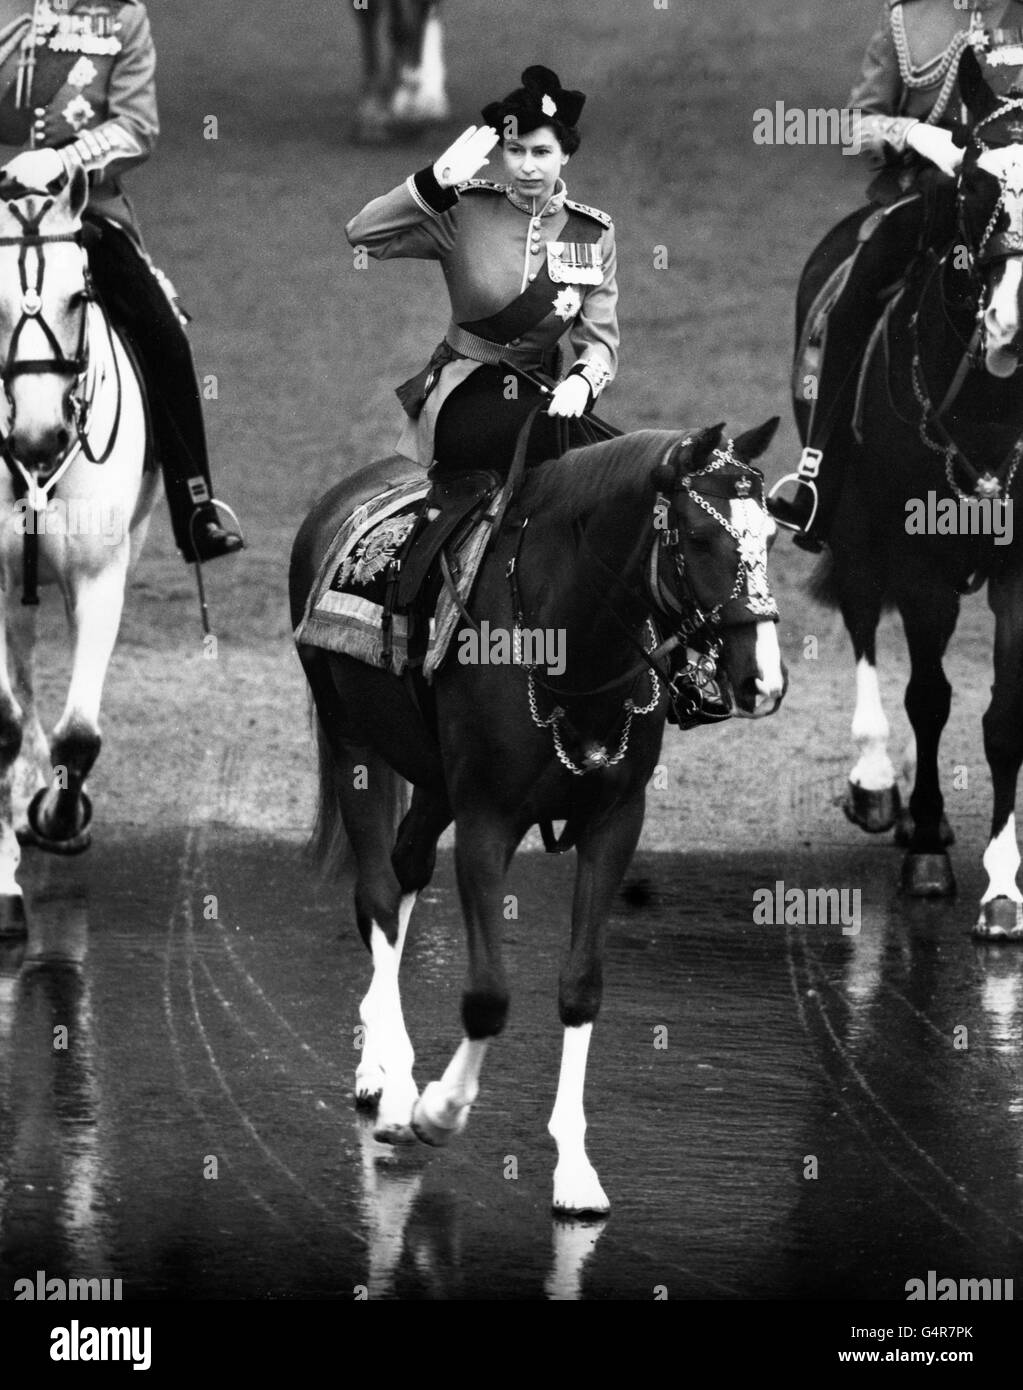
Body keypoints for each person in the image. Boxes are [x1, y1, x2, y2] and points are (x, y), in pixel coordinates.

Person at [768, 0, 1023, 551]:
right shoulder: (907, 17)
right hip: (929, 198)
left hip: (1016, 200)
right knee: (850, 297)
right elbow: (853, 125)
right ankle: (820, 475)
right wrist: (914, 135)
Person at [0, 0, 243, 562]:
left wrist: (63, 162)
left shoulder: (121, 18)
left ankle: (195, 507)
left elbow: (136, 128)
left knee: (163, 335)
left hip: (82, 212)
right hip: (2, 208)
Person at [344, 64, 619, 481]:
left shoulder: (594, 232)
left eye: (542, 153)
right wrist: (432, 183)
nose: (528, 167)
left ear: (565, 154)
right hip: (464, 392)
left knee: (617, 467)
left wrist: (583, 380)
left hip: (543, 392)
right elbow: (363, 235)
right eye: (516, 151)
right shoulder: (464, 210)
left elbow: (600, 338)